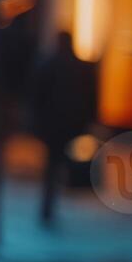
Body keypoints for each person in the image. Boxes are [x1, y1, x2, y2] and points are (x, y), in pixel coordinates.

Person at [29, 31, 98, 226]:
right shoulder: (81, 67)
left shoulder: (48, 65)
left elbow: (36, 96)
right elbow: (91, 97)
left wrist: (36, 123)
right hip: (72, 123)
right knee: (60, 161)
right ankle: (53, 202)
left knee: (53, 164)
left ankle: (49, 205)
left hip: (52, 124)